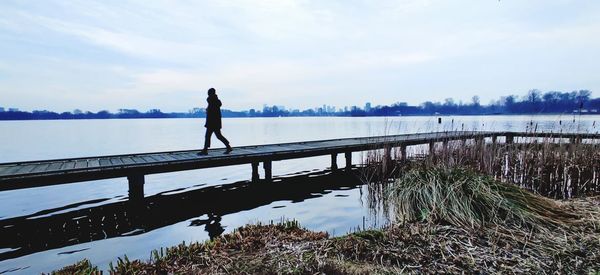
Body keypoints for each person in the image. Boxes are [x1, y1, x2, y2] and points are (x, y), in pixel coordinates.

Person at [199, 88, 233, 155]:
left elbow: (212, 111)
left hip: (212, 122)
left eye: (208, 93)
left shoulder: (212, 100)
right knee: (217, 136)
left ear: (210, 93)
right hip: (215, 122)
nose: (207, 94)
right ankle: (228, 147)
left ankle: (205, 150)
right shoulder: (215, 100)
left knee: (209, 136)